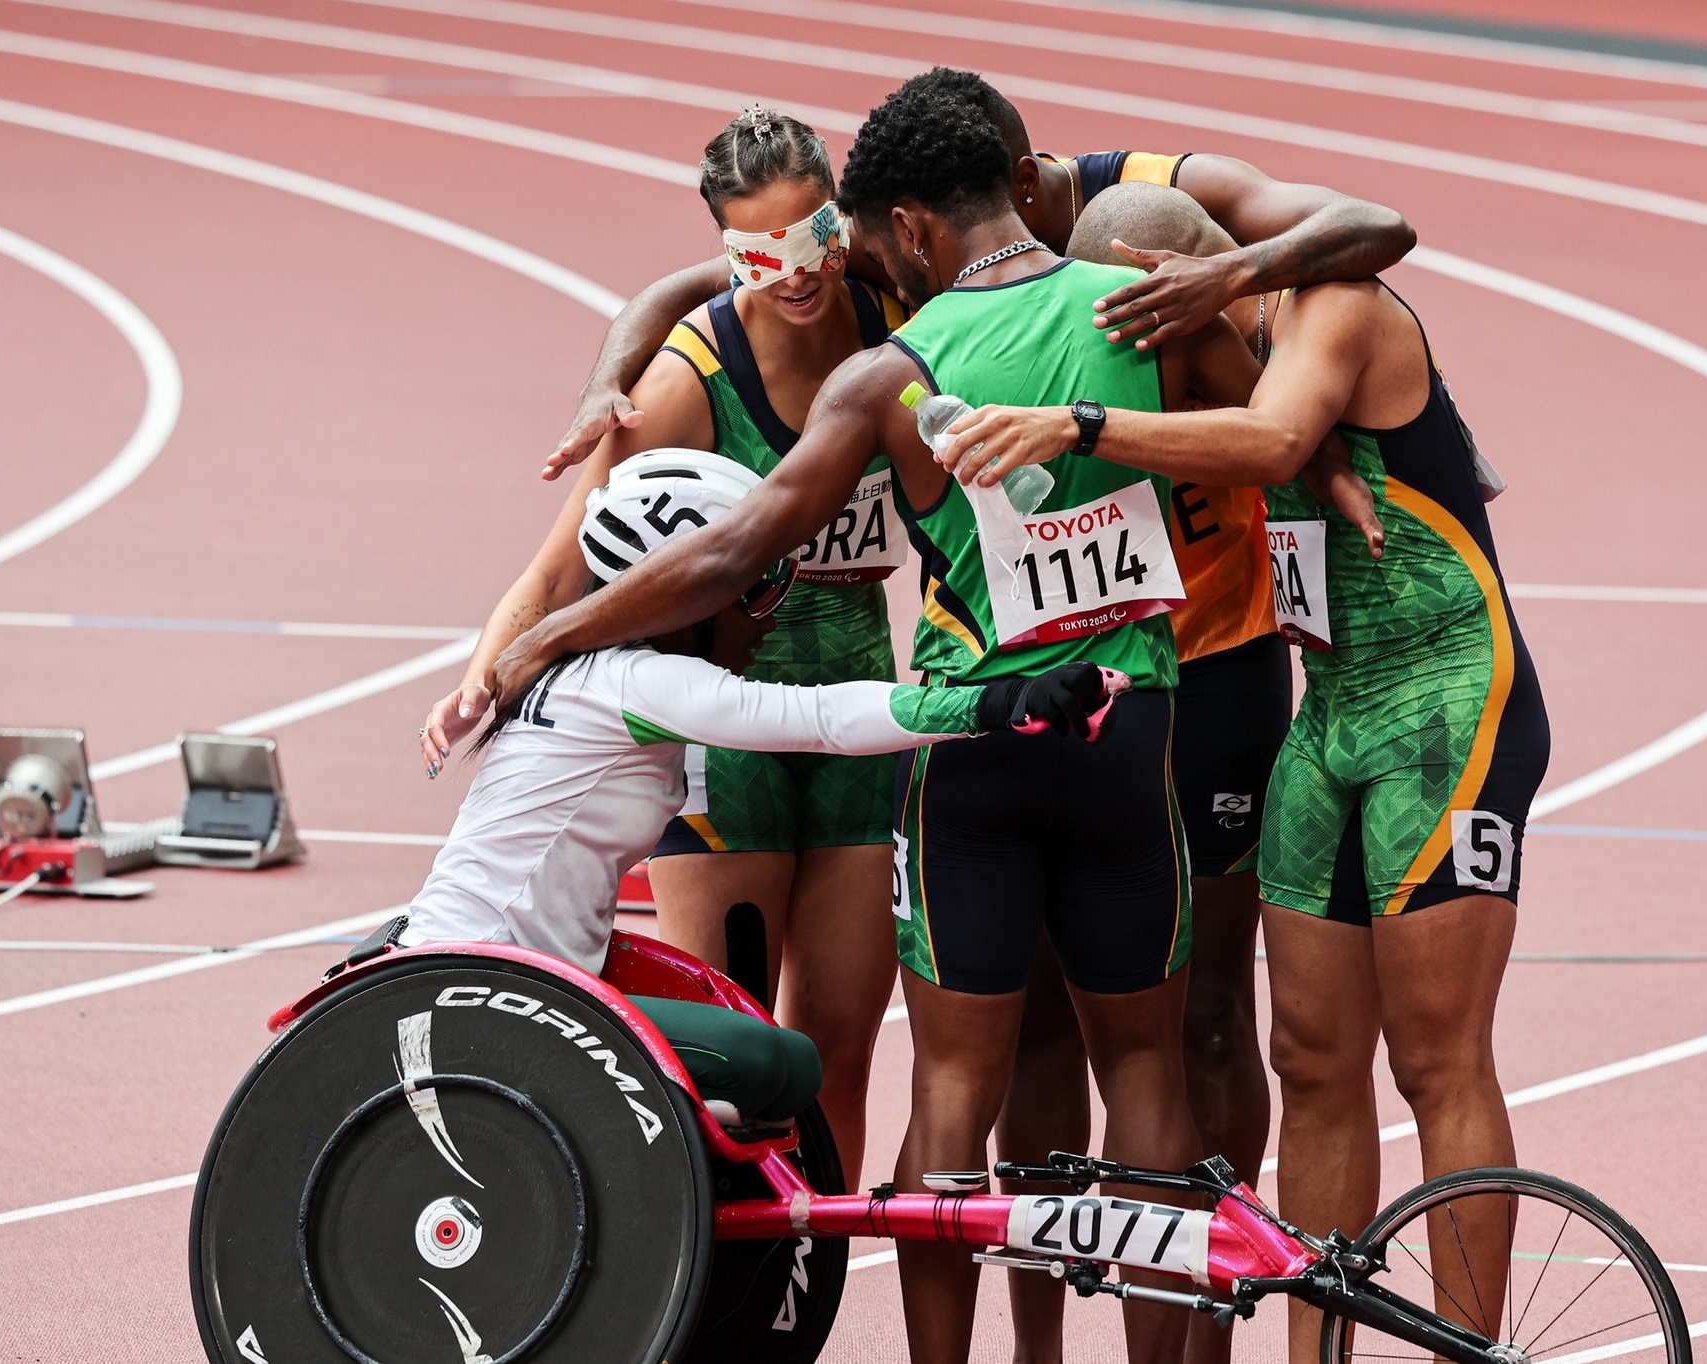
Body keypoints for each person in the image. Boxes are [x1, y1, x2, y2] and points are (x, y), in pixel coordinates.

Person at [488, 81, 1378, 1364]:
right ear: (1011, 184)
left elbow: (738, 542)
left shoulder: (888, 374)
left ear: (906, 228)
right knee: (1146, 1074)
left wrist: (551, 634)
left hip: (972, 748)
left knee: (954, 1087)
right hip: (1131, 736)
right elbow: (1267, 432)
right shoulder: (1136, 307)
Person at [936, 233, 1550, 1364]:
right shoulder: (1204, 352)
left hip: (1448, 702)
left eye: (1137, 321)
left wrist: (1076, 424)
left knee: (1435, 1056)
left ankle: (1469, 1351)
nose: (1125, 348)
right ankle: (1320, 1351)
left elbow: (1271, 439)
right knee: (1309, 1053)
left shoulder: (1335, 308)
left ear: (1180, 276)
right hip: (1330, 707)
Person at [422, 107, 910, 1190]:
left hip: (858, 708)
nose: (792, 274)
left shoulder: (891, 309)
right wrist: (481, 676)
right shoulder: (691, 378)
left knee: (841, 1052)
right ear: (724, 253)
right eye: (755, 254)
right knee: (725, 1068)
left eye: (810, 238)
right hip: (719, 729)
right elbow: (561, 567)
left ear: (841, 219)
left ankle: (800, 1289)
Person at [402, 448, 1123, 1127]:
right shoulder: (634, 681)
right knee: (775, 1060)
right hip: (490, 993)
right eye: (758, 583)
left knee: (773, 1065)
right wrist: (1005, 703)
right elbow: (822, 718)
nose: (772, 610)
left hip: (514, 973)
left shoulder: (587, 670)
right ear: (684, 594)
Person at [542, 68, 1414, 479]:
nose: (915, 262)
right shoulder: (896, 238)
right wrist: (603, 382)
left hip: (1231, 476)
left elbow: (1378, 226)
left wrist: (1220, 281)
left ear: (1015, 187)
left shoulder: (1162, 190)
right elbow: (697, 285)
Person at [995, 181, 1290, 1364]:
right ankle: (1034, 1347)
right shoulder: (1034, 322)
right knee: (1040, 1024)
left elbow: (1295, 423)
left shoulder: (1242, 344)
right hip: (1076, 682)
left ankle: (1199, 1337)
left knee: (1211, 1016)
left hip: (1217, 678)